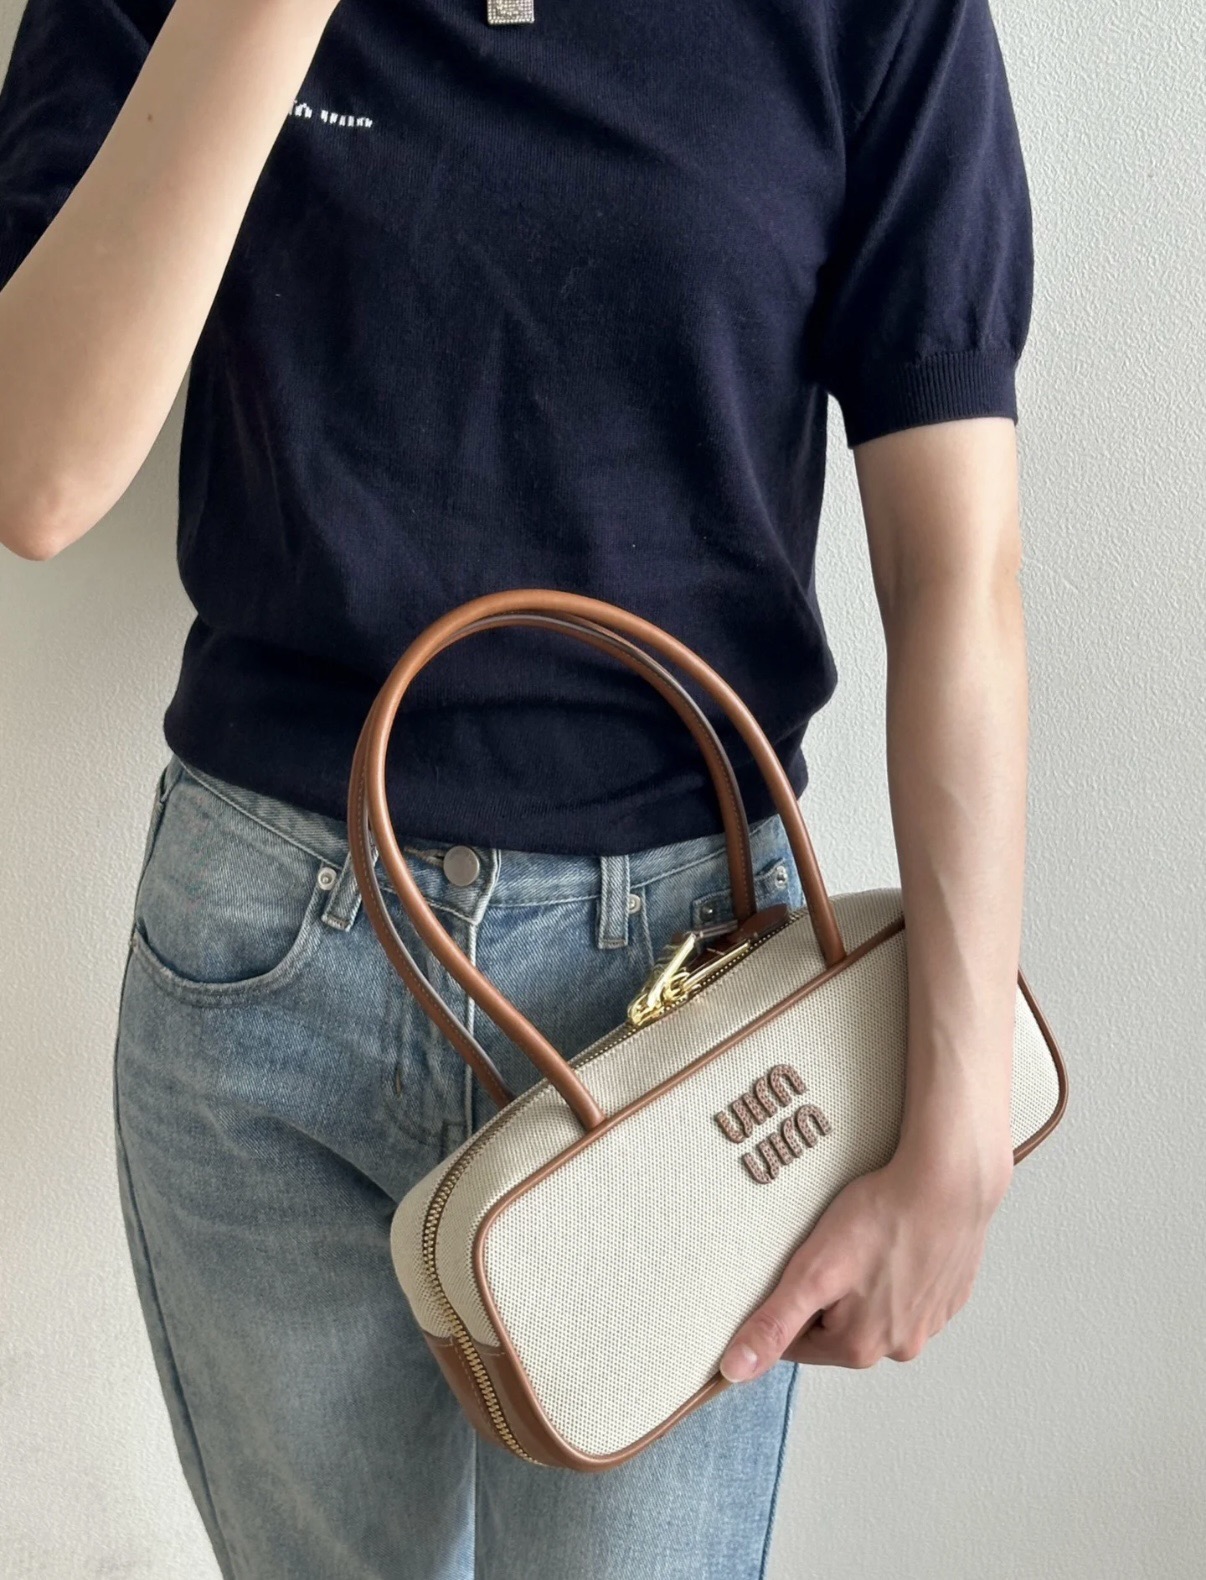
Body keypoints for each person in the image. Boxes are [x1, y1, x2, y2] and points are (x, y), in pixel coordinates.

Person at [0, 0, 1034, 1574]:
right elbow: (37, 473)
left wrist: (958, 1122)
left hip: (686, 990)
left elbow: (955, 578)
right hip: (265, 958)